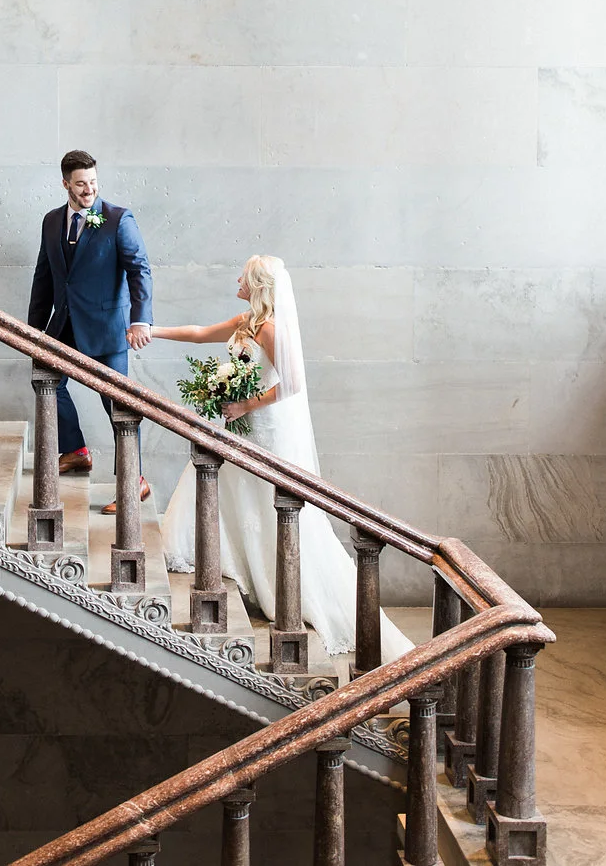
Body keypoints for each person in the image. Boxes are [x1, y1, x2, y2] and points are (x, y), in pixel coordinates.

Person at [154, 255, 412, 661]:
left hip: (263, 427)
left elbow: (293, 383)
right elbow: (201, 332)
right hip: (243, 423)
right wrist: (152, 331)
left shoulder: (271, 330)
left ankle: (282, 584)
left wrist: (246, 405)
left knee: (263, 499)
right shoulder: (246, 323)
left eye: (244, 275)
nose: (237, 277)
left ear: (258, 285)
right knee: (226, 487)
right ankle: (237, 564)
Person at [27, 150, 153, 514]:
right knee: (46, 380)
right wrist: (32, 329)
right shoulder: (51, 221)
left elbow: (139, 269)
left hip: (107, 330)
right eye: (81, 184)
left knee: (119, 408)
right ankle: (76, 451)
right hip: (64, 324)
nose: (88, 190)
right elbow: (44, 276)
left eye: (93, 182)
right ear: (65, 183)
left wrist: (140, 319)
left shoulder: (118, 219)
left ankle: (134, 482)